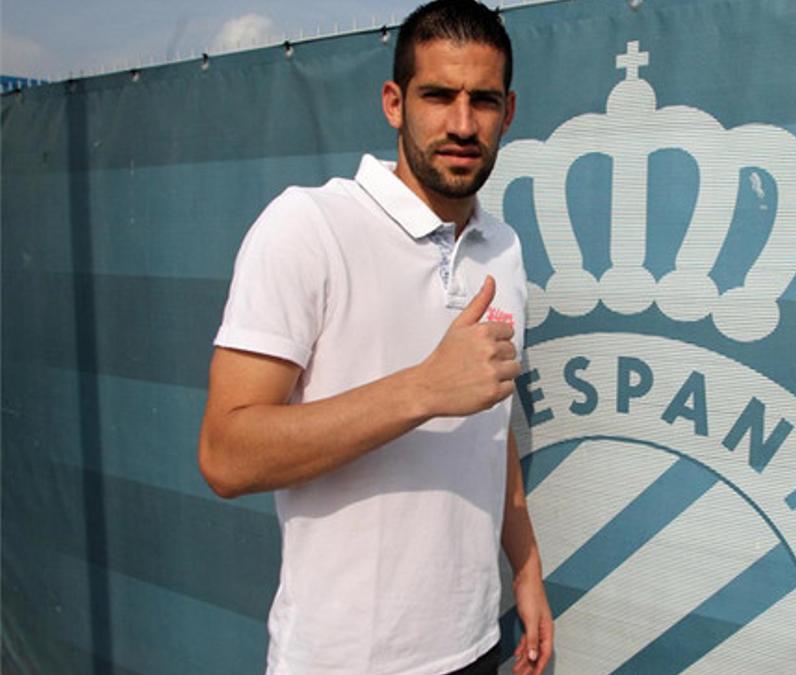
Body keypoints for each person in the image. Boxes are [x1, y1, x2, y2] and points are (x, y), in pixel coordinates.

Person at [197, 1, 552, 673]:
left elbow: (491, 422)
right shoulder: (308, 226)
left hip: (475, 644)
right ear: (394, 103)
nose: (460, 123)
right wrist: (421, 389)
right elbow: (225, 453)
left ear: (508, 113)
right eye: (438, 95)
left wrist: (526, 568)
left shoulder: (501, 247)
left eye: (482, 100)